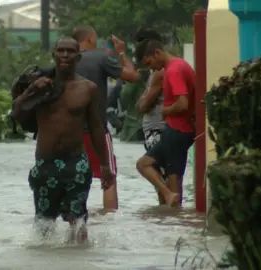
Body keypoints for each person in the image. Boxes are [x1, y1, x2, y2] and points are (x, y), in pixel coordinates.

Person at [12, 37, 114, 243]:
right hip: (45, 164)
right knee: (43, 224)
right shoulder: (39, 85)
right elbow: (16, 112)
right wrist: (32, 90)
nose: (65, 55)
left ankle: (78, 261)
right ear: (54, 55)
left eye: (70, 51)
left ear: (78, 57)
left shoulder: (88, 89)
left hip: (75, 163)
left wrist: (105, 165)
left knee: (78, 222)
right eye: (61, 51)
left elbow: (96, 127)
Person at [71, 25, 139, 211]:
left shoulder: (65, 61)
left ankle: (75, 225)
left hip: (69, 132)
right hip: (97, 131)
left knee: (73, 179)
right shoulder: (100, 58)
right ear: (90, 40)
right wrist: (122, 53)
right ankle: (109, 223)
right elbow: (133, 76)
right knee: (108, 177)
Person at [134, 38, 196, 207]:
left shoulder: (173, 70)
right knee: (171, 174)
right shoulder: (179, 65)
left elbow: (183, 103)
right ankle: (172, 207)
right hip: (182, 130)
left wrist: (165, 111)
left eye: (150, 62)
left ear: (157, 53)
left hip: (176, 130)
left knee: (165, 173)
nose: (151, 68)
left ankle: (172, 210)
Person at [134, 29, 167, 205]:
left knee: (159, 176)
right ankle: (165, 216)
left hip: (157, 129)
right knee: (160, 177)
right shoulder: (155, 72)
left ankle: (167, 210)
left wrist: (142, 102)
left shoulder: (159, 72)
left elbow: (144, 105)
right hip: (154, 129)